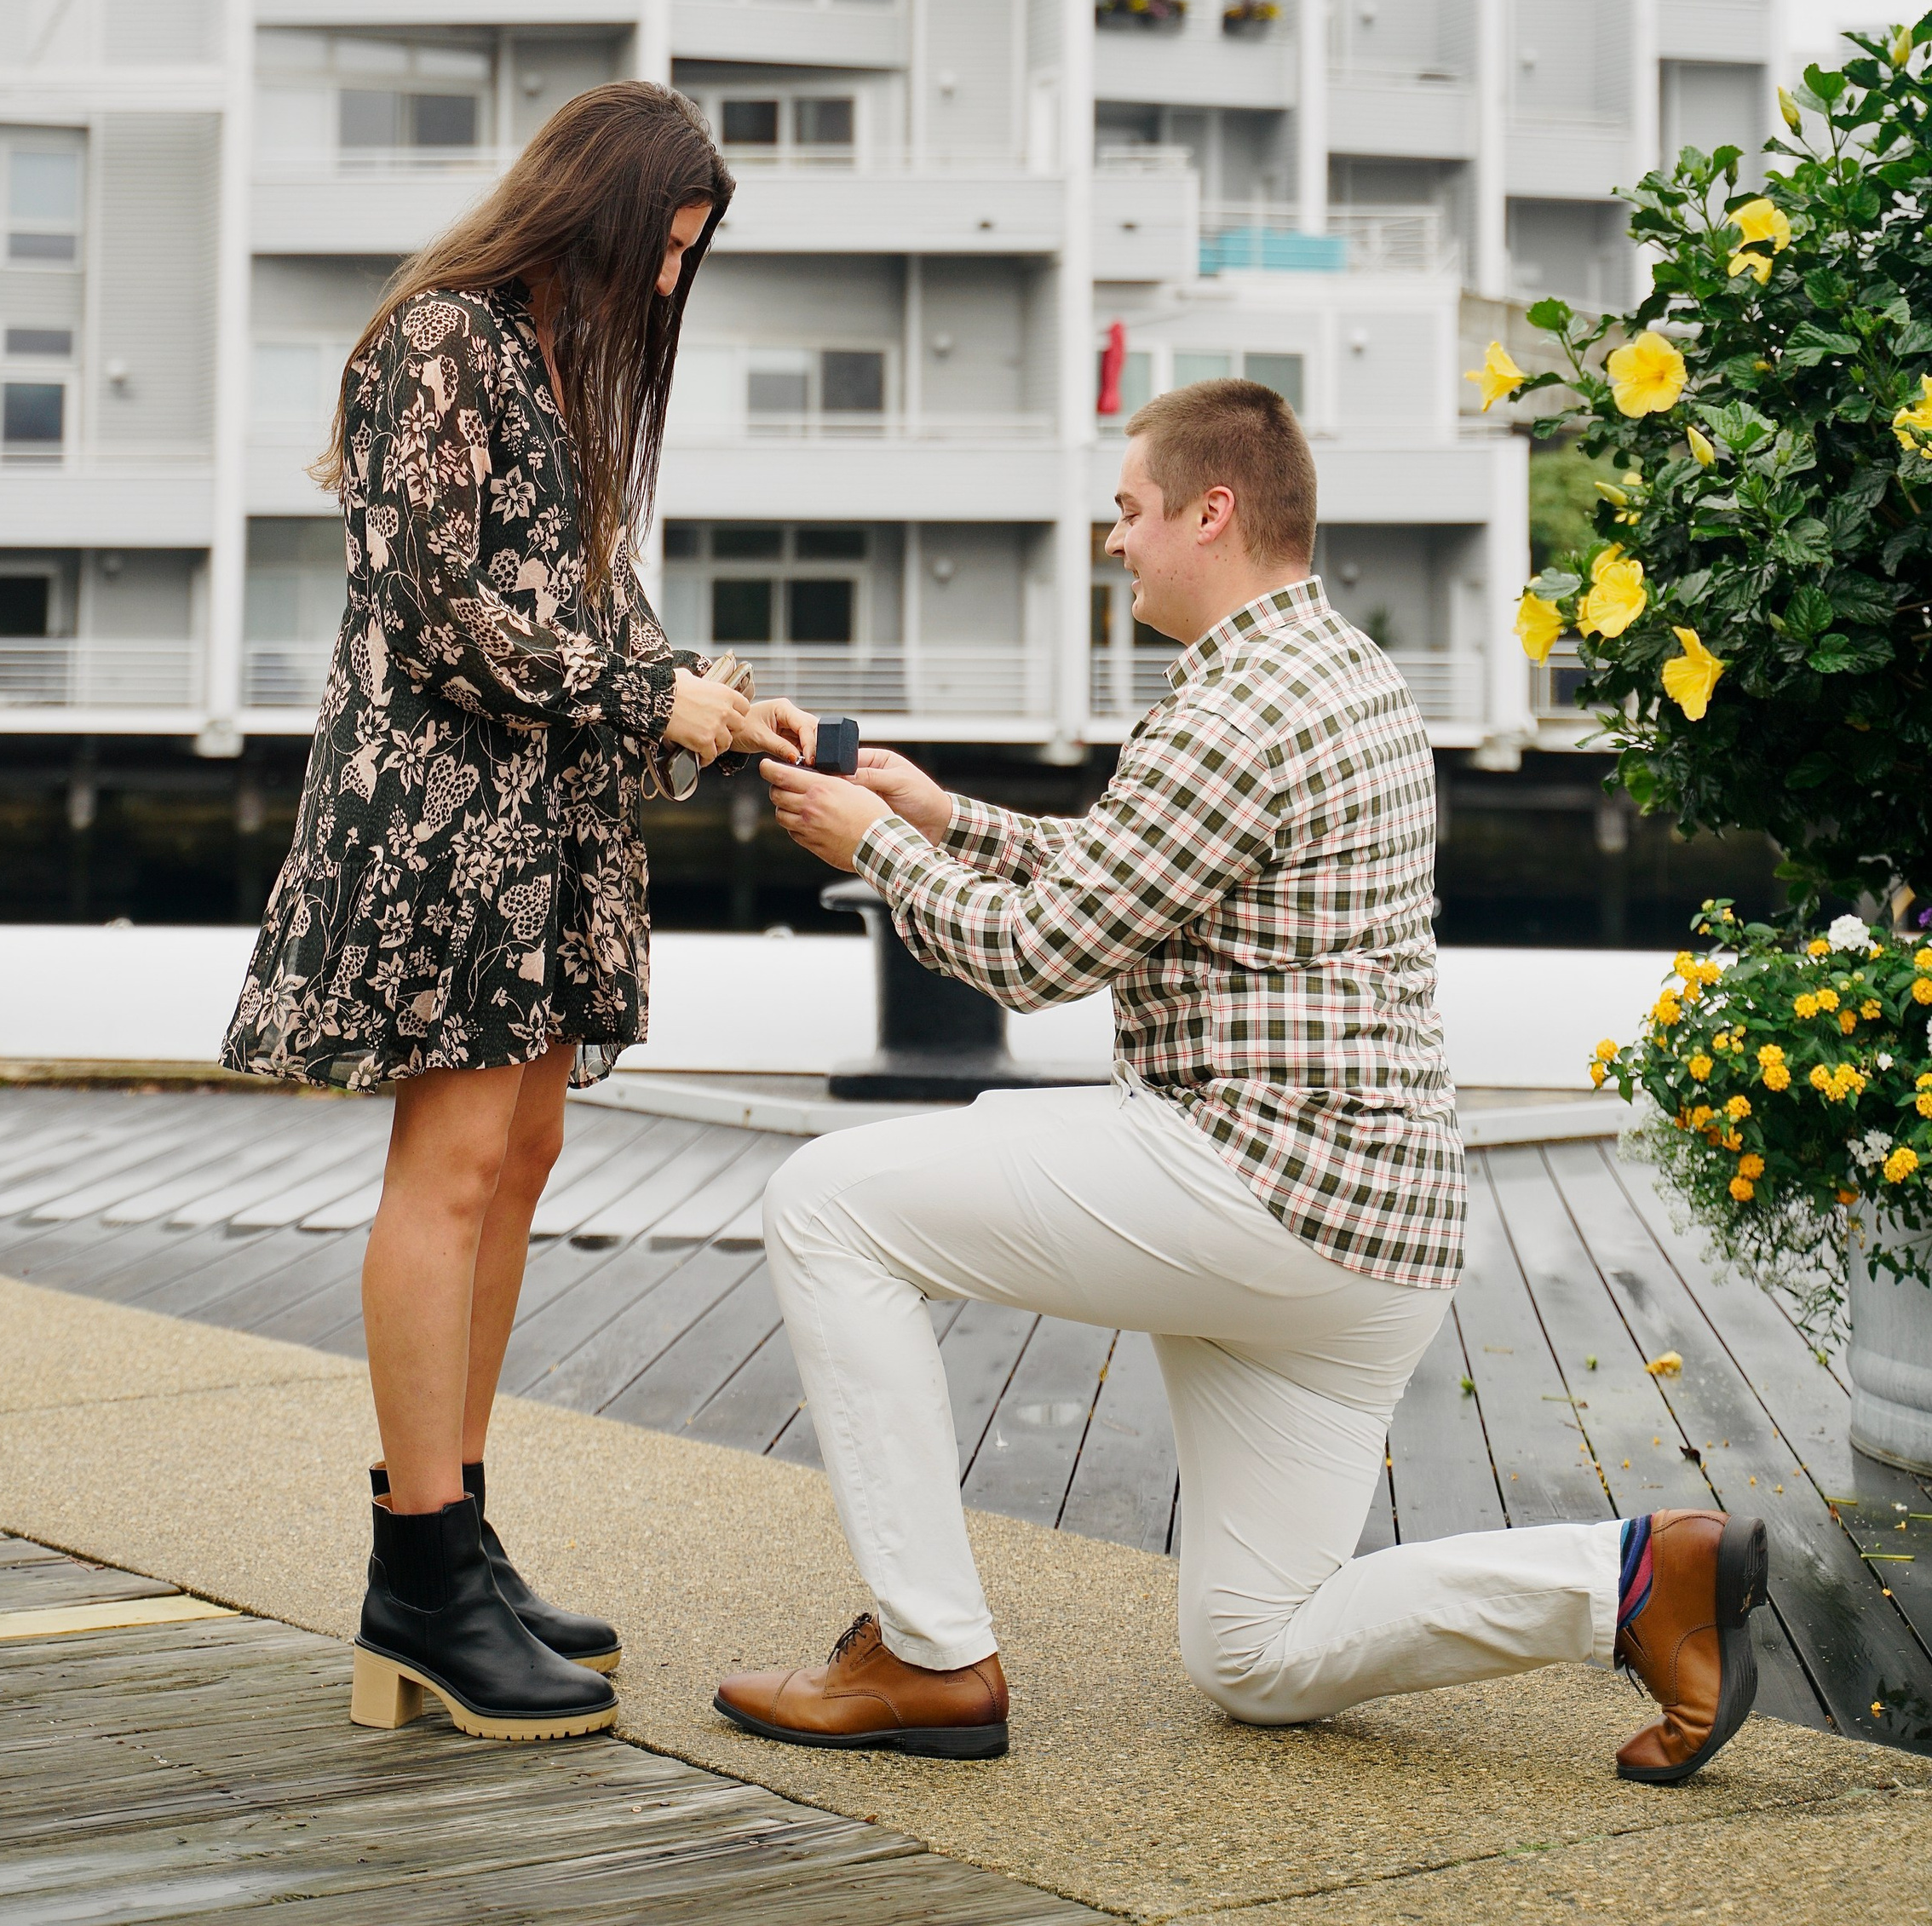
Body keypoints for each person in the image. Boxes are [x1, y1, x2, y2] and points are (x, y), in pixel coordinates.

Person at [719, 377, 1765, 1783]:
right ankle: (1632, 1580)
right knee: (1256, 1654)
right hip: (1378, 1244)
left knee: (825, 1200)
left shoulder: (1231, 706)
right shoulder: (1340, 669)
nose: (1115, 541)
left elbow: (1043, 955)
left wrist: (869, 845)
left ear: (1213, 509)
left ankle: (927, 1652)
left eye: (1130, 510)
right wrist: (938, 810)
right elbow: (1140, 874)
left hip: (1256, 1187)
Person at [222, 82, 809, 1743]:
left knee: (522, 1153)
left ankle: (456, 1540)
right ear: (604, 212)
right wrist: (650, 689)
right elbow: (439, 615)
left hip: (539, 827)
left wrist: (700, 692)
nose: (672, 286)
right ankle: (416, 1573)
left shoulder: (553, 369)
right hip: (441, 827)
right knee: (455, 1160)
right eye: (668, 248)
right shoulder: (438, 340)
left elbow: (583, 613)